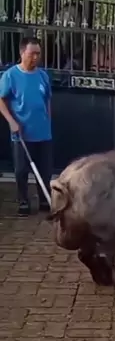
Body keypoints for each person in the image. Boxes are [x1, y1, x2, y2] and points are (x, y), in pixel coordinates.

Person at [0, 36, 53, 216]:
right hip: (22, 133)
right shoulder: (11, 76)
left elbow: (47, 100)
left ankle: (44, 200)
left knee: (45, 170)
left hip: (43, 132)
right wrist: (11, 121)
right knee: (21, 170)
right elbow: (1, 100)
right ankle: (23, 201)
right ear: (22, 53)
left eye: (38, 54)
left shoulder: (43, 76)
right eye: (32, 54)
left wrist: (48, 120)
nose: (36, 57)